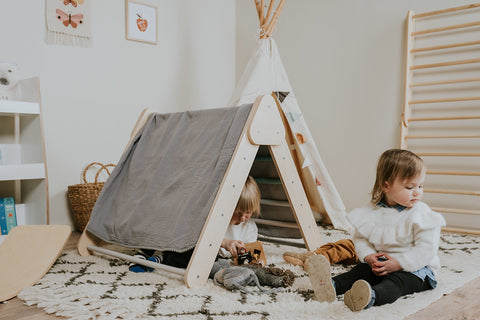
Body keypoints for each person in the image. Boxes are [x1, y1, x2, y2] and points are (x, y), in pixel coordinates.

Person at [307, 149, 446, 311]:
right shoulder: (372, 211)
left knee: (395, 283)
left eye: (420, 186)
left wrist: (399, 263)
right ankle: (331, 286)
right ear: (386, 186)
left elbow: (426, 250)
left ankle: (370, 296)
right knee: (359, 272)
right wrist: (369, 256)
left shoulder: (421, 214)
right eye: (410, 187)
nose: (417, 192)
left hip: (414, 269)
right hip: (380, 264)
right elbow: (360, 239)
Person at [129, 175, 261, 272]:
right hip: (190, 243)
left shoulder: (250, 228)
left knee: (204, 262)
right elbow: (197, 235)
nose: (243, 217)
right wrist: (225, 242)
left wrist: (247, 258)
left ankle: (162, 259)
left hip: (210, 256)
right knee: (164, 223)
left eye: (248, 213)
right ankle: (143, 254)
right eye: (237, 213)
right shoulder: (215, 219)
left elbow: (250, 255)